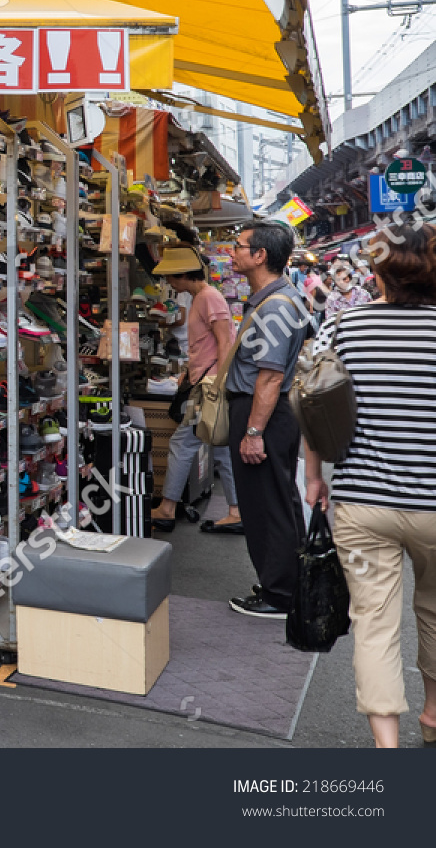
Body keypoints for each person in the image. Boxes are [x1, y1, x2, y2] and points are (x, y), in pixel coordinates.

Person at [304, 220, 436, 748]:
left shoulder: (342, 326)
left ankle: (386, 748)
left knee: (375, 624)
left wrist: (314, 475)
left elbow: (311, 400)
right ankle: (432, 716)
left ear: (379, 268)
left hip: (362, 504)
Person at [225, 220, 313, 618]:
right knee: (279, 498)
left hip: (264, 411)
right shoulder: (278, 298)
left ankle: (279, 593)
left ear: (260, 255)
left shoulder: (276, 305)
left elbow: (271, 376)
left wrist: (253, 432)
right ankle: (291, 584)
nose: (232, 251)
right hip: (270, 410)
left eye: (239, 246)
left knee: (265, 504)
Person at [149, 247, 242, 535]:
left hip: (208, 386)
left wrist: (217, 384)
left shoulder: (208, 297)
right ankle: (236, 511)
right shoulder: (203, 297)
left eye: (171, 277)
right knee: (222, 449)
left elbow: (225, 341)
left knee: (181, 443)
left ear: (183, 275)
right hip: (206, 382)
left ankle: (166, 508)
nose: (170, 284)